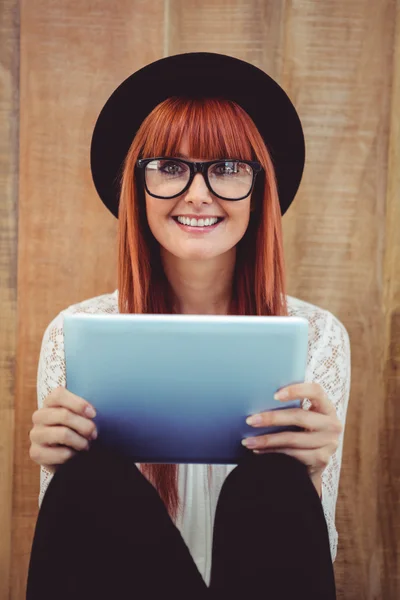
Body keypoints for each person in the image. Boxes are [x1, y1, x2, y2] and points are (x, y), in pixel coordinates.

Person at [26, 52, 351, 600]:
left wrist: (312, 475)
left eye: (226, 168)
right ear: (137, 185)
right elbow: (73, 546)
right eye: (171, 166)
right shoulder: (73, 332)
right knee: (86, 479)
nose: (197, 193)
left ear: (258, 190)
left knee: (273, 480)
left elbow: (307, 553)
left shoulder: (316, 337)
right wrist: (60, 462)